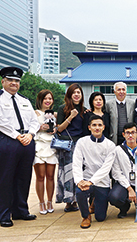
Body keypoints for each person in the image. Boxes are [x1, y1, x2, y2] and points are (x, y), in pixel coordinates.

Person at [0, 67, 40, 227]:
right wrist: (17, 136)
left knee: (23, 177)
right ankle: (4, 214)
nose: (14, 83)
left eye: (16, 81)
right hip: (3, 140)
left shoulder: (24, 101)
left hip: (26, 140)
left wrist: (30, 135)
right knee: (4, 178)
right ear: (3, 81)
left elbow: (34, 121)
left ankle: (20, 210)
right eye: (10, 80)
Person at [90, 122, 137, 218]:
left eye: (133, 132)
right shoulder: (117, 150)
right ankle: (124, 207)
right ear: (123, 134)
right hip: (125, 182)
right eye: (127, 133)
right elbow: (116, 173)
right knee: (114, 197)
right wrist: (129, 188)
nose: (130, 135)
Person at [73, 115, 116, 228]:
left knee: (100, 218)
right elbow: (76, 163)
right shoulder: (82, 142)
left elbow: (106, 168)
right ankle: (86, 216)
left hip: (102, 182)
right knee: (79, 191)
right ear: (89, 127)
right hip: (86, 178)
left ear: (103, 127)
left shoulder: (110, 145)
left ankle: (94, 201)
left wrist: (92, 181)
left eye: (99, 125)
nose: (97, 128)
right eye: (94, 125)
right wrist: (79, 180)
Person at [56, 83, 87, 213]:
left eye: (78, 92)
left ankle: (77, 199)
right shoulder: (62, 109)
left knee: (79, 172)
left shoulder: (84, 110)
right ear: (69, 95)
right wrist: (70, 117)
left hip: (80, 144)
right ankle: (68, 201)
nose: (76, 95)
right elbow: (59, 129)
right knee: (67, 172)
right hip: (67, 145)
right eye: (74, 92)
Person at [33, 90, 58, 215]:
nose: (48, 101)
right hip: (39, 145)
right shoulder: (34, 113)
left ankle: (49, 201)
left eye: (50, 98)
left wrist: (55, 130)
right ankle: (41, 202)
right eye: (45, 99)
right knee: (40, 176)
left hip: (51, 146)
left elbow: (60, 126)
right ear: (40, 100)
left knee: (50, 176)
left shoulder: (55, 114)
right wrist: (39, 127)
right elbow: (29, 127)